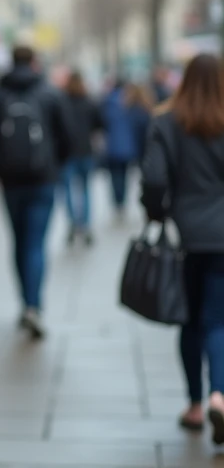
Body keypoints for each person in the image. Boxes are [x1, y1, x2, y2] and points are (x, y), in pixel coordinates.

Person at [140, 54, 224, 442]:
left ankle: (194, 404)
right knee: (219, 321)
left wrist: (158, 215)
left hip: (186, 236)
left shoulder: (166, 121)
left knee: (189, 319)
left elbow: (154, 179)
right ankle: (220, 397)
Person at [0, 45, 73, 339]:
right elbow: (68, 136)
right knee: (36, 243)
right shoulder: (49, 93)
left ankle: (24, 302)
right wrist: (55, 166)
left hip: (10, 182)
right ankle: (34, 305)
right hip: (43, 181)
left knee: (19, 242)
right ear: (34, 62)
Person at [61, 71, 103, 245]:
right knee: (85, 189)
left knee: (68, 190)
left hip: (66, 152)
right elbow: (98, 126)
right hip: (85, 151)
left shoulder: (62, 102)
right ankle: (84, 223)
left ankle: (73, 221)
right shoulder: (89, 102)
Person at [101, 80, 148, 215]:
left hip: (112, 148)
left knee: (116, 177)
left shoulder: (108, 103)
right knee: (124, 177)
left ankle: (118, 203)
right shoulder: (132, 105)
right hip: (128, 148)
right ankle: (121, 202)